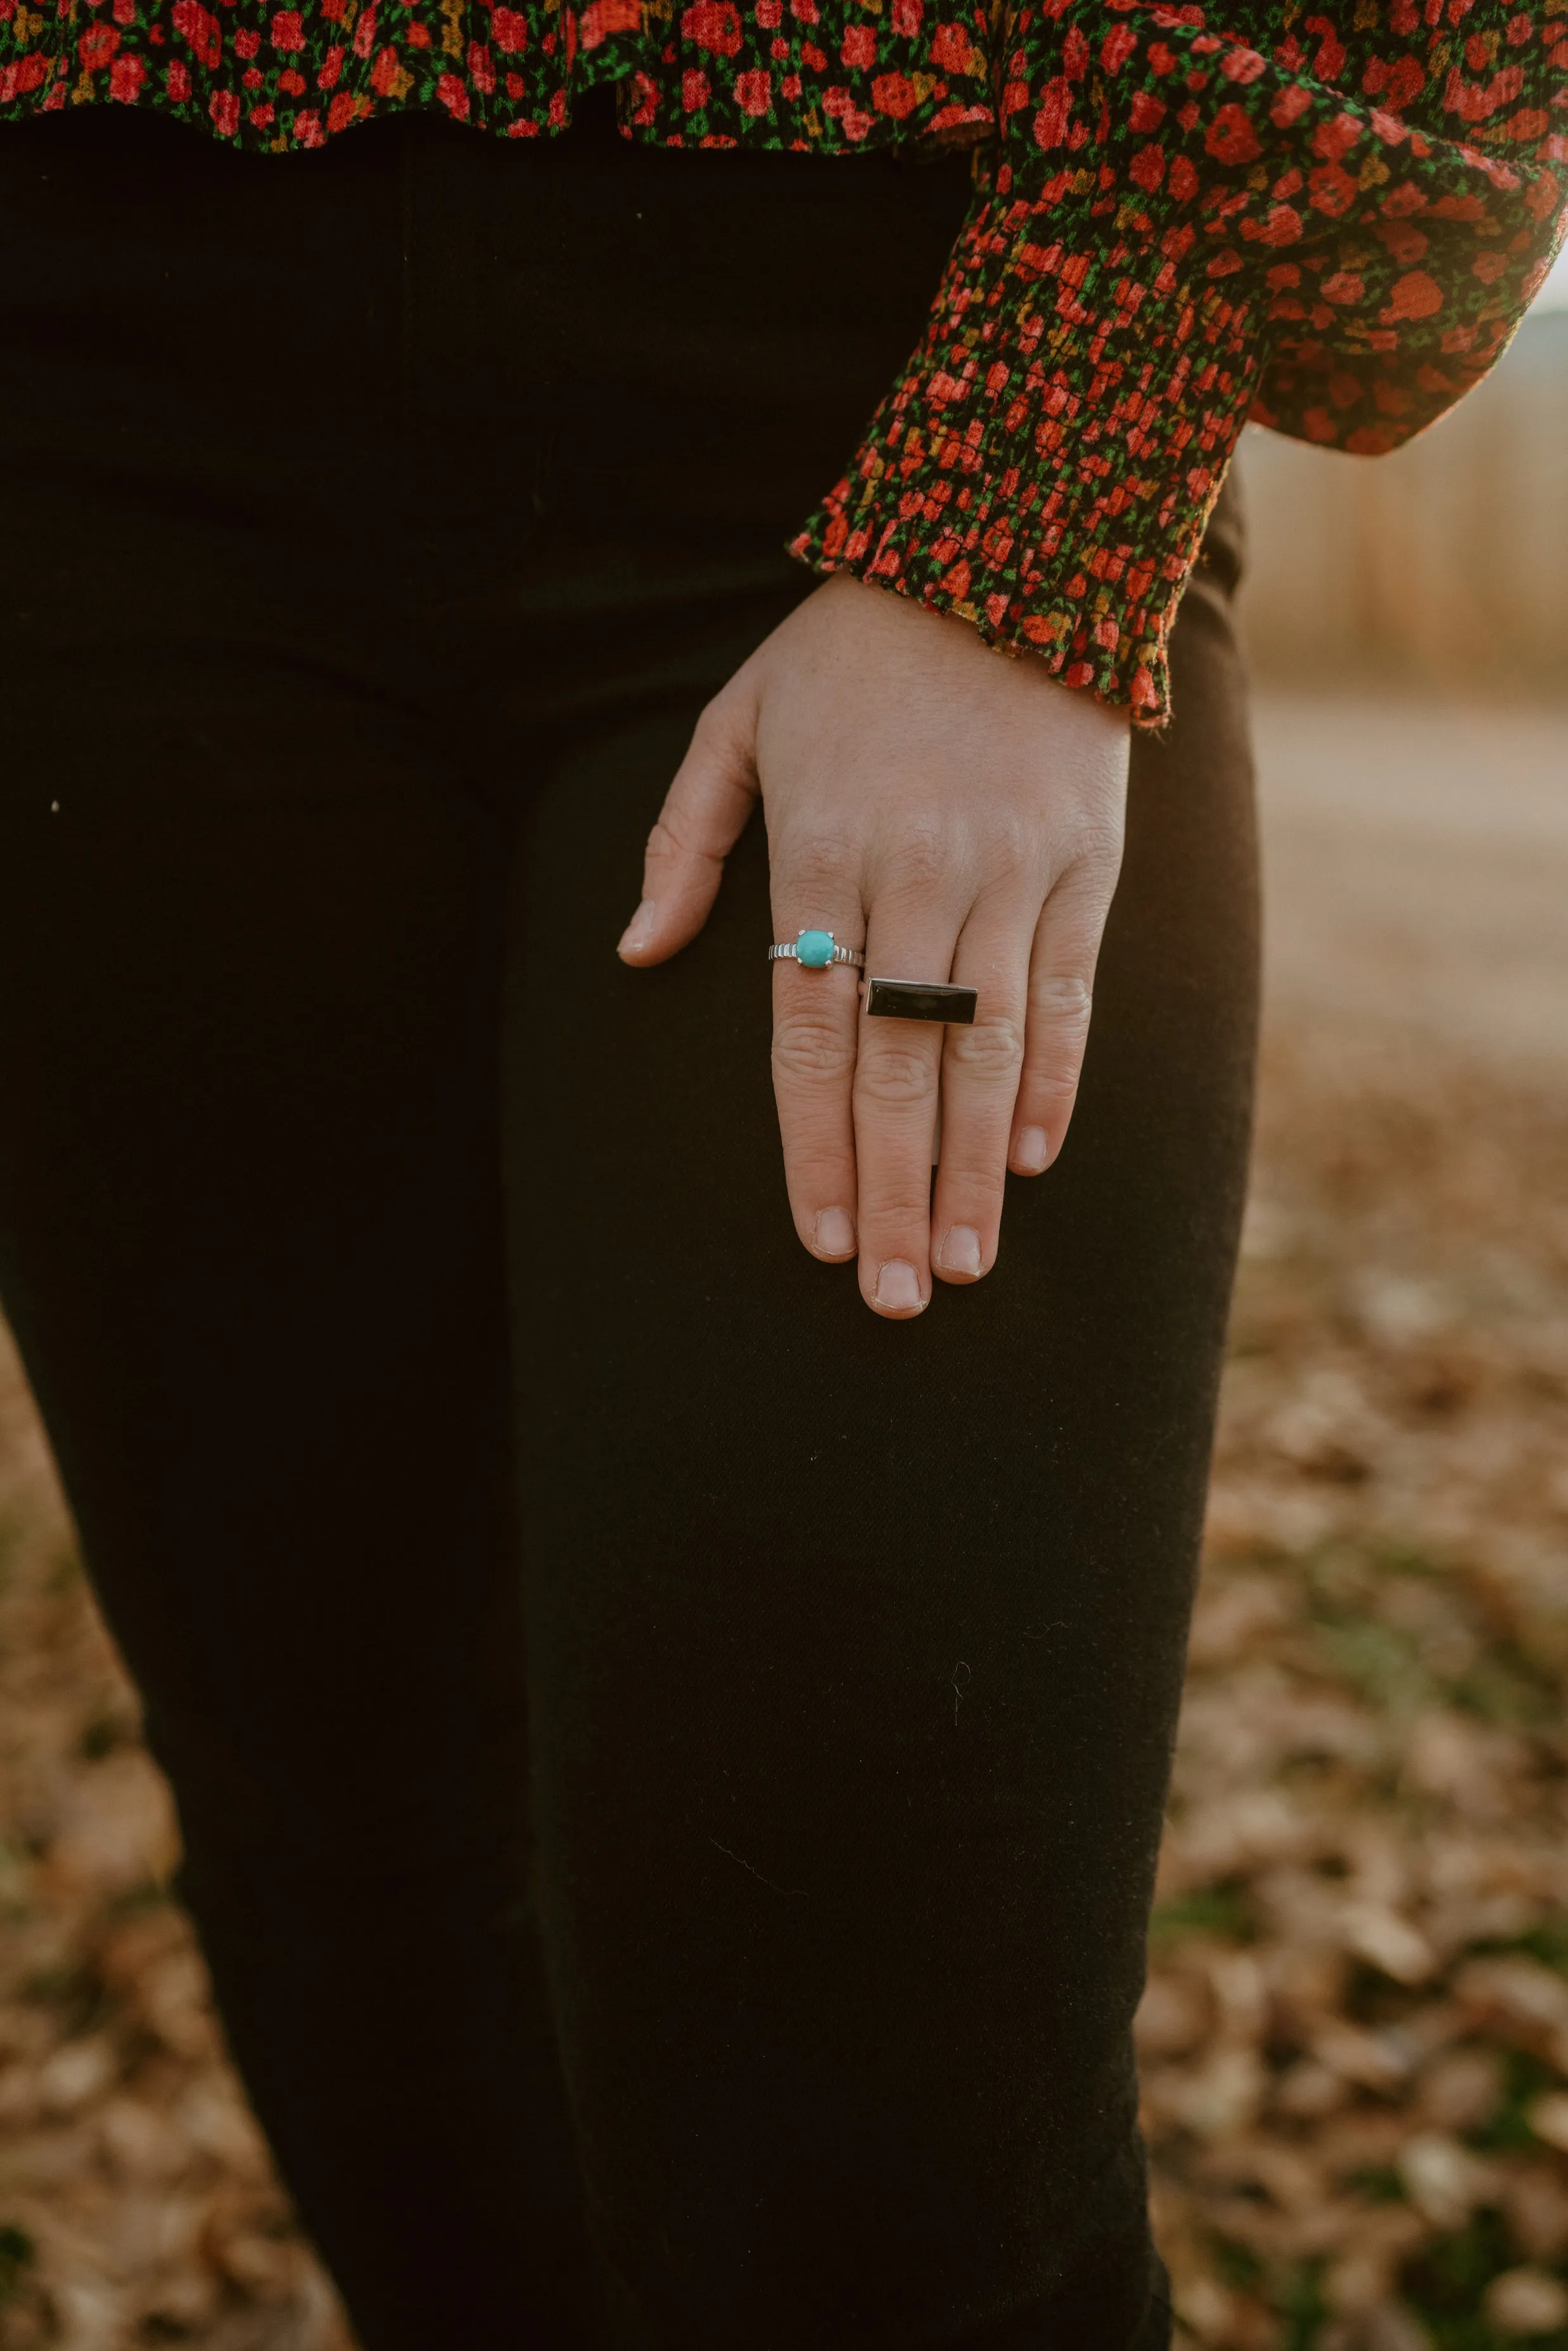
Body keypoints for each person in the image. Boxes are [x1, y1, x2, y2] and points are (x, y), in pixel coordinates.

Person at [0, 0, 1560, 2340]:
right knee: (364, 1852)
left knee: (886, 2165)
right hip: (80, 404)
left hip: (888, 343)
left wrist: (1038, 487)